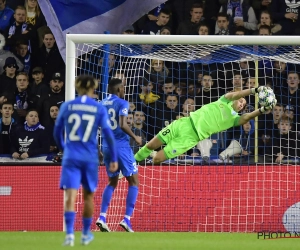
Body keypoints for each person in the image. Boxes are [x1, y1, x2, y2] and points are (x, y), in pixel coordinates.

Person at [134, 87, 277, 165]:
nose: (241, 104)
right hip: (184, 123)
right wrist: (255, 90)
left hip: (190, 139)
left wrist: (262, 110)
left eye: (243, 105)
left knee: (157, 159)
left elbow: (248, 116)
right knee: (152, 145)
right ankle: (132, 162)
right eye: (240, 101)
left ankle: (137, 165)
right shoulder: (223, 100)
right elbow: (237, 94)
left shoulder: (235, 119)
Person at [53, 75, 118, 246]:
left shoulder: (67, 106)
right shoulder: (98, 108)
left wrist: (64, 148)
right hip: (89, 158)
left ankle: (69, 235)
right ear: (93, 89)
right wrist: (113, 156)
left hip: (71, 156)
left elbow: (57, 132)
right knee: (89, 197)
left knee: (70, 196)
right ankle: (86, 234)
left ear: (77, 87)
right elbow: (108, 134)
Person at [96, 78, 142, 233]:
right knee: (134, 182)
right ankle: (127, 219)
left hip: (107, 147)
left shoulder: (101, 104)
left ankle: (102, 217)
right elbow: (122, 124)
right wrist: (135, 137)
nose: (124, 91)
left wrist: (98, 150)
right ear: (118, 89)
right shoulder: (123, 103)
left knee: (112, 182)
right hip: (121, 146)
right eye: (123, 88)